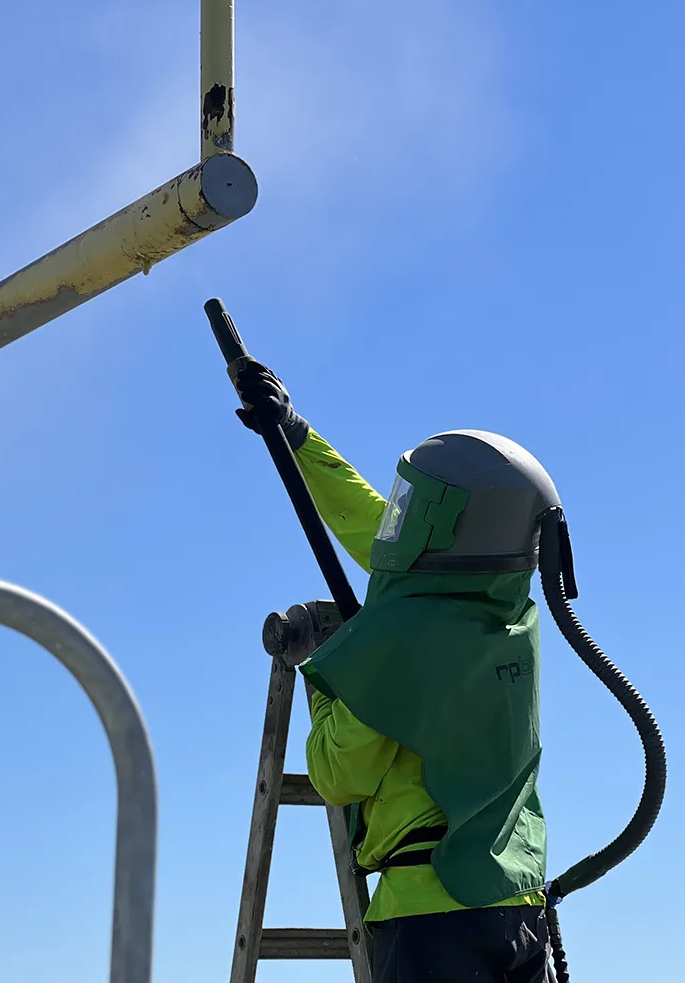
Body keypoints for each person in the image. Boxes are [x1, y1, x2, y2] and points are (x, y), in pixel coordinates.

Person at [233, 361, 556, 983]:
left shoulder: (398, 642)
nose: (396, 517)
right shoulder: (508, 612)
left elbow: (336, 773)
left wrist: (334, 674)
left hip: (430, 921)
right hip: (517, 910)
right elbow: (377, 530)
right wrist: (295, 435)